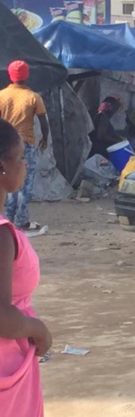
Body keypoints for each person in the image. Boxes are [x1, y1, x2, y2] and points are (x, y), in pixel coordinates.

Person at [0, 118, 52, 416]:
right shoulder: (2, 235)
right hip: (6, 366)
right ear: (2, 167)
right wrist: (38, 330)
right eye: (21, 158)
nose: (26, 165)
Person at [0, 61, 49, 234]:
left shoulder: (2, 95)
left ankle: (8, 219)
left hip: (4, 145)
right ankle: (21, 221)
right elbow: (43, 121)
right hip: (25, 145)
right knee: (24, 184)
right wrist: (45, 138)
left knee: (6, 182)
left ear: (10, 75)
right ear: (26, 75)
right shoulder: (33, 97)